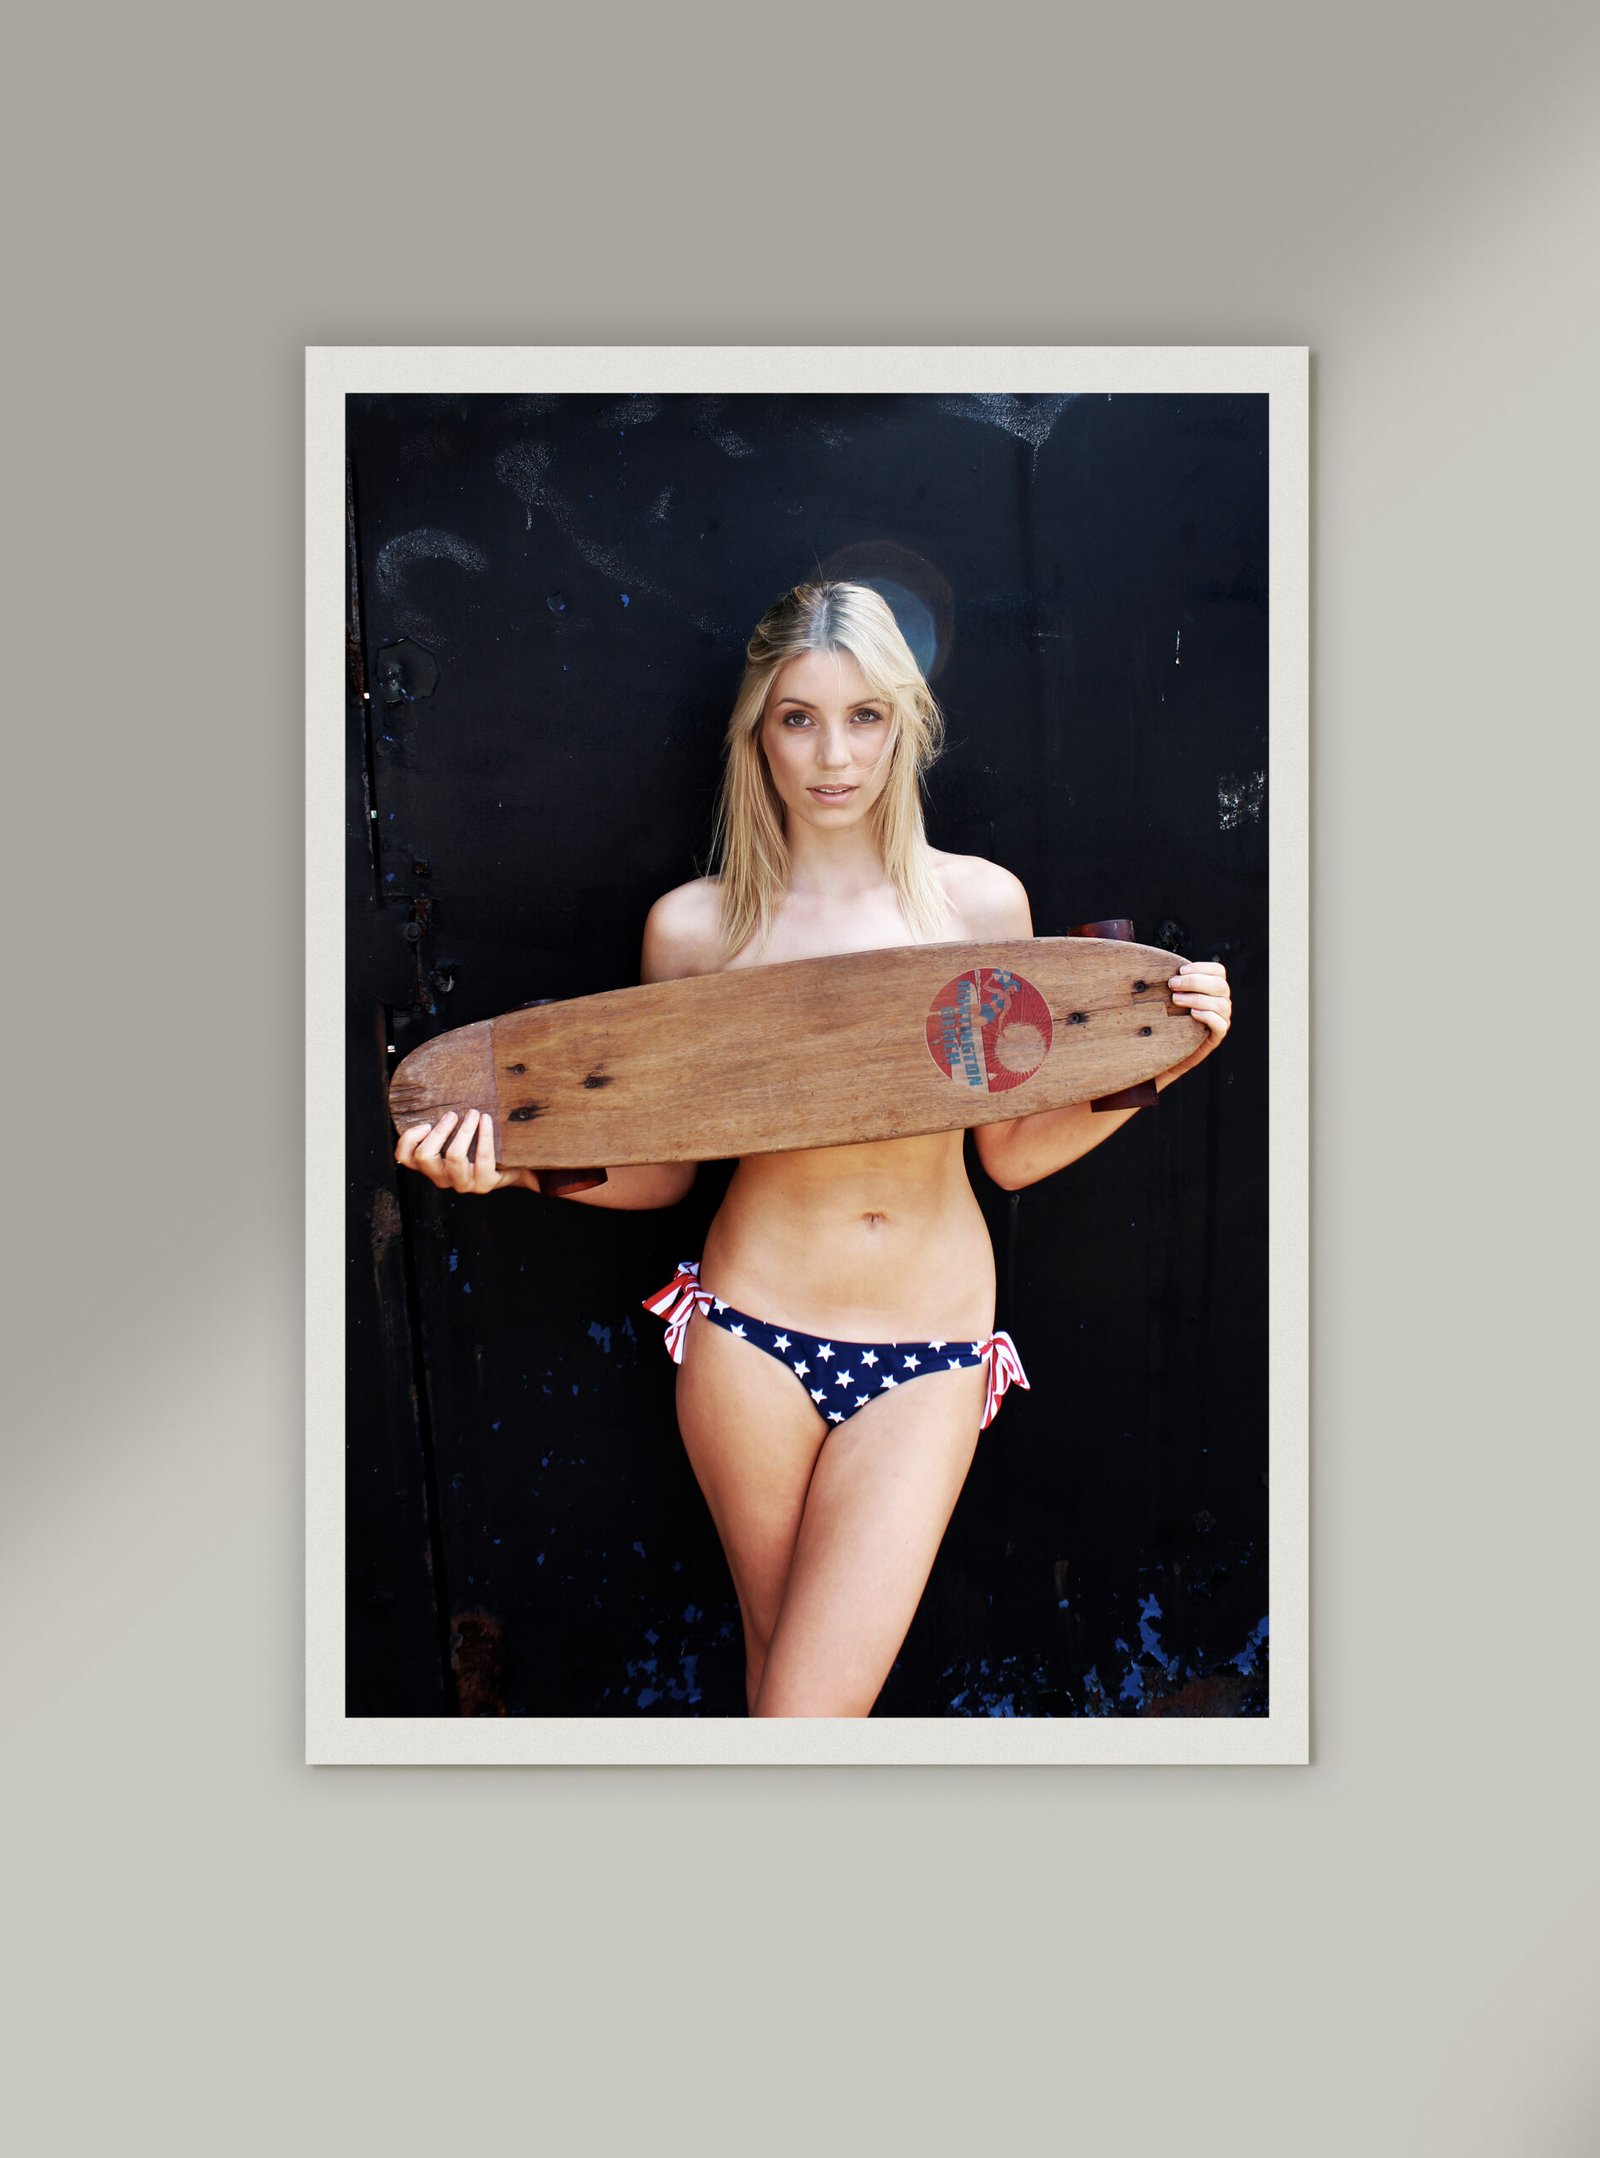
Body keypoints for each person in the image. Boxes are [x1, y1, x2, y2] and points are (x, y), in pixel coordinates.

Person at [395, 582, 1232, 1717]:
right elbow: (667, 1171)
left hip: (928, 1344)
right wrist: (513, 1167)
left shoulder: (979, 909)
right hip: (751, 1334)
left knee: (803, 1715)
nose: (833, 755)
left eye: (864, 716)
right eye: (798, 718)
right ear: (758, 732)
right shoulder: (697, 927)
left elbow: (1009, 1157)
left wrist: (1161, 1063)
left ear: (906, 725)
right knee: (777, 1692)